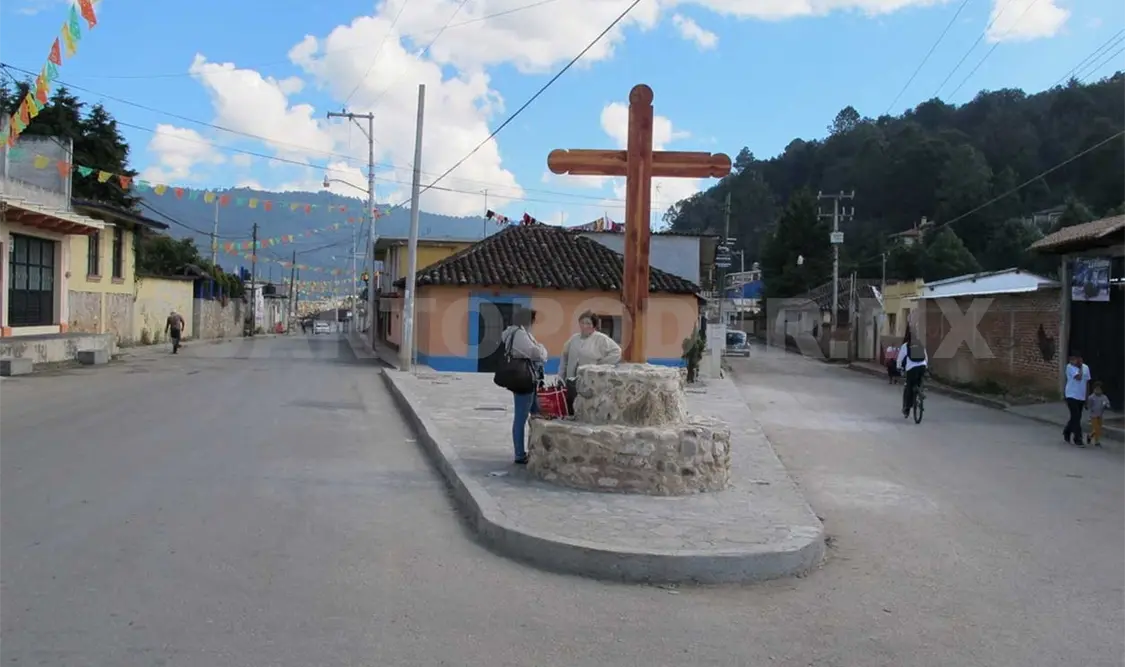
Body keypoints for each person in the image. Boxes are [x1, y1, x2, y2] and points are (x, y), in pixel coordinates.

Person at [501, 308, 547, 465]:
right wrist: (542, 349)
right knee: (521, 417)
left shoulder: (514, 333)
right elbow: (536, 353)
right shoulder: (520, 334)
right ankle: (520, 454)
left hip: (527, 379)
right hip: (525, 379)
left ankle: (536, 448)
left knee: (537, 413)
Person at [558, 311, 622, 414]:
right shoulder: (574, 339)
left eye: (588, 323)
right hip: (571, 380)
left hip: (589, 381)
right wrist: (561, 375)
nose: (585, 326)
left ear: (594, 326)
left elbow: (617, 352)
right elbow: (565, 357)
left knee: (585, 408)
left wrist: (600, 365)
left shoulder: (601, 339)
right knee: (571, 407)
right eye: (582, 322)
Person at [896, 327, 928, 417]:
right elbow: (926, 357)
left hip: (911, 369)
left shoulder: (906, 345)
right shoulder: (921, 344)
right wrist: (926, 366)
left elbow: (900, 359)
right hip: (922, 366)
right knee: (920, 380)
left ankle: (906, 408)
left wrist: (898, 368)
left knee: (908, 387)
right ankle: (921, 391)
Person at [1063, 352, 1091, 447]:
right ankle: (1078, 438)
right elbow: (1078, 378)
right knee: (1076, 416)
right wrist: (1079, 368)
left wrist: (1087, 399)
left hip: (1081, 396)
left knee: (1077, 417)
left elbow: (1087, 383)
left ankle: (1067, 431)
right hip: (1071, 395)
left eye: (1075, 359)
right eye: (1072, 359)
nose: (1073, 361)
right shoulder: (1069, 367)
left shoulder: (1086, 368)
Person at [1086, 381, 1110, 448]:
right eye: (1096, 389)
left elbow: (1108, 404)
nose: (1098, 391)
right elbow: (1089, 406)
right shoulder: (1091, 397)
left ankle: (1090, 436)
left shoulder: (1104, 397)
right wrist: (1090, 407)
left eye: (1099, 389)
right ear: (1094, 389)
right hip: (1093, 415)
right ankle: (1097, 442)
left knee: (1099, 428)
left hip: (1100, 415)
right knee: (1096, 428)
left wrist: (1106, 405)